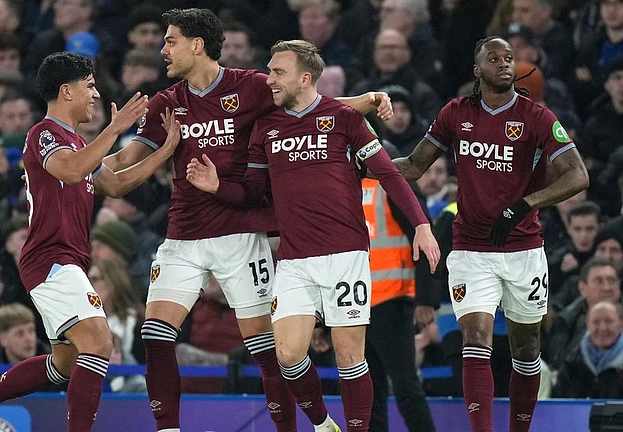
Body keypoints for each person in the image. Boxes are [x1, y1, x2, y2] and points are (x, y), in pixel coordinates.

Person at [103, 8, 394, 432]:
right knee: (155, 335)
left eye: (171, 41)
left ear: (197, 45)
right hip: (184, 235)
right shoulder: (167, 103)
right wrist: (72, 164)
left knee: (267, 351)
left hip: (240, 234)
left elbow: (308, 106)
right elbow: (121, 163)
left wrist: (365, 101)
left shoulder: (250, 86)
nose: (163, 49)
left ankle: (306, 426)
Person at [186, 39, 439, 432]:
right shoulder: (266, 127)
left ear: (305, 78)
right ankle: (323, 424)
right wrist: (219, 187)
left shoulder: (345, 119)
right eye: (270, 71)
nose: (269, 79)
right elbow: (253, 192)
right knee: (287, 355)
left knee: (350, 357)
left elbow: (389, 173)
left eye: (278, 72)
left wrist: (422, 224)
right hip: (294, 259)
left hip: (346, 256)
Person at [0, 51, 182, 432]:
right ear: (66, 91)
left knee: (65, 364)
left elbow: (116, 180)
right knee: (99, 342)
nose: (96, 95)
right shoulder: (44, 134)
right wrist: (115, 128)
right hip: (50, 258)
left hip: (66, 259)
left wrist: (166, 149)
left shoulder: (73, 142)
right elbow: (72, 171)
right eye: (90, 86)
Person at [386, 36, 589, 431]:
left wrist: (526, 204)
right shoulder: (455, 113)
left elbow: (578, 176)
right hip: (470, 249)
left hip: (524, 249)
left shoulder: (536, 116)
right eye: (494, 58)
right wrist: (364, 163)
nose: (504, 63)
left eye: (509, 58)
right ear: (477, 69)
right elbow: (413, 166)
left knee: (526, 348)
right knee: (475, 338)